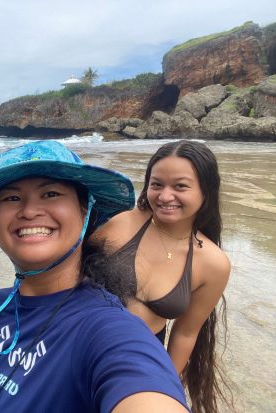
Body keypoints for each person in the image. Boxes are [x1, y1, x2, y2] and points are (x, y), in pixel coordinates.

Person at [0, 140, 189, 413]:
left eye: (51, 194)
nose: (29, 211)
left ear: (85, 211)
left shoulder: (106, 330)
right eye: (11, 198)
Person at [90, 140, 231, 413]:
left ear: (206, 191)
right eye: (157, 185)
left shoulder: (214, 263)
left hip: (139, 361)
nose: (165, 196)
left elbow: (185, 334)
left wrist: (167, 385)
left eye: (180, 186)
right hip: (86, 342)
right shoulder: (122, 223)